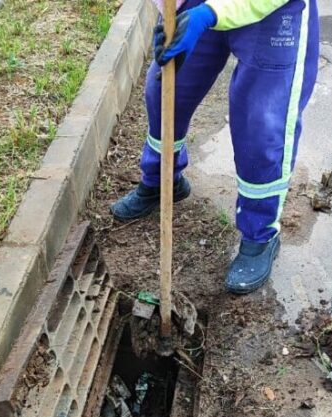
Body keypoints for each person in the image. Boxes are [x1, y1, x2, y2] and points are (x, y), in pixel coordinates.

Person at [111, 0, 319, 294]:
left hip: (273, 10)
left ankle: (259, 235)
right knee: (166, 88)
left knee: (260, 120)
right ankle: (161, 181)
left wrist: (210, 14)